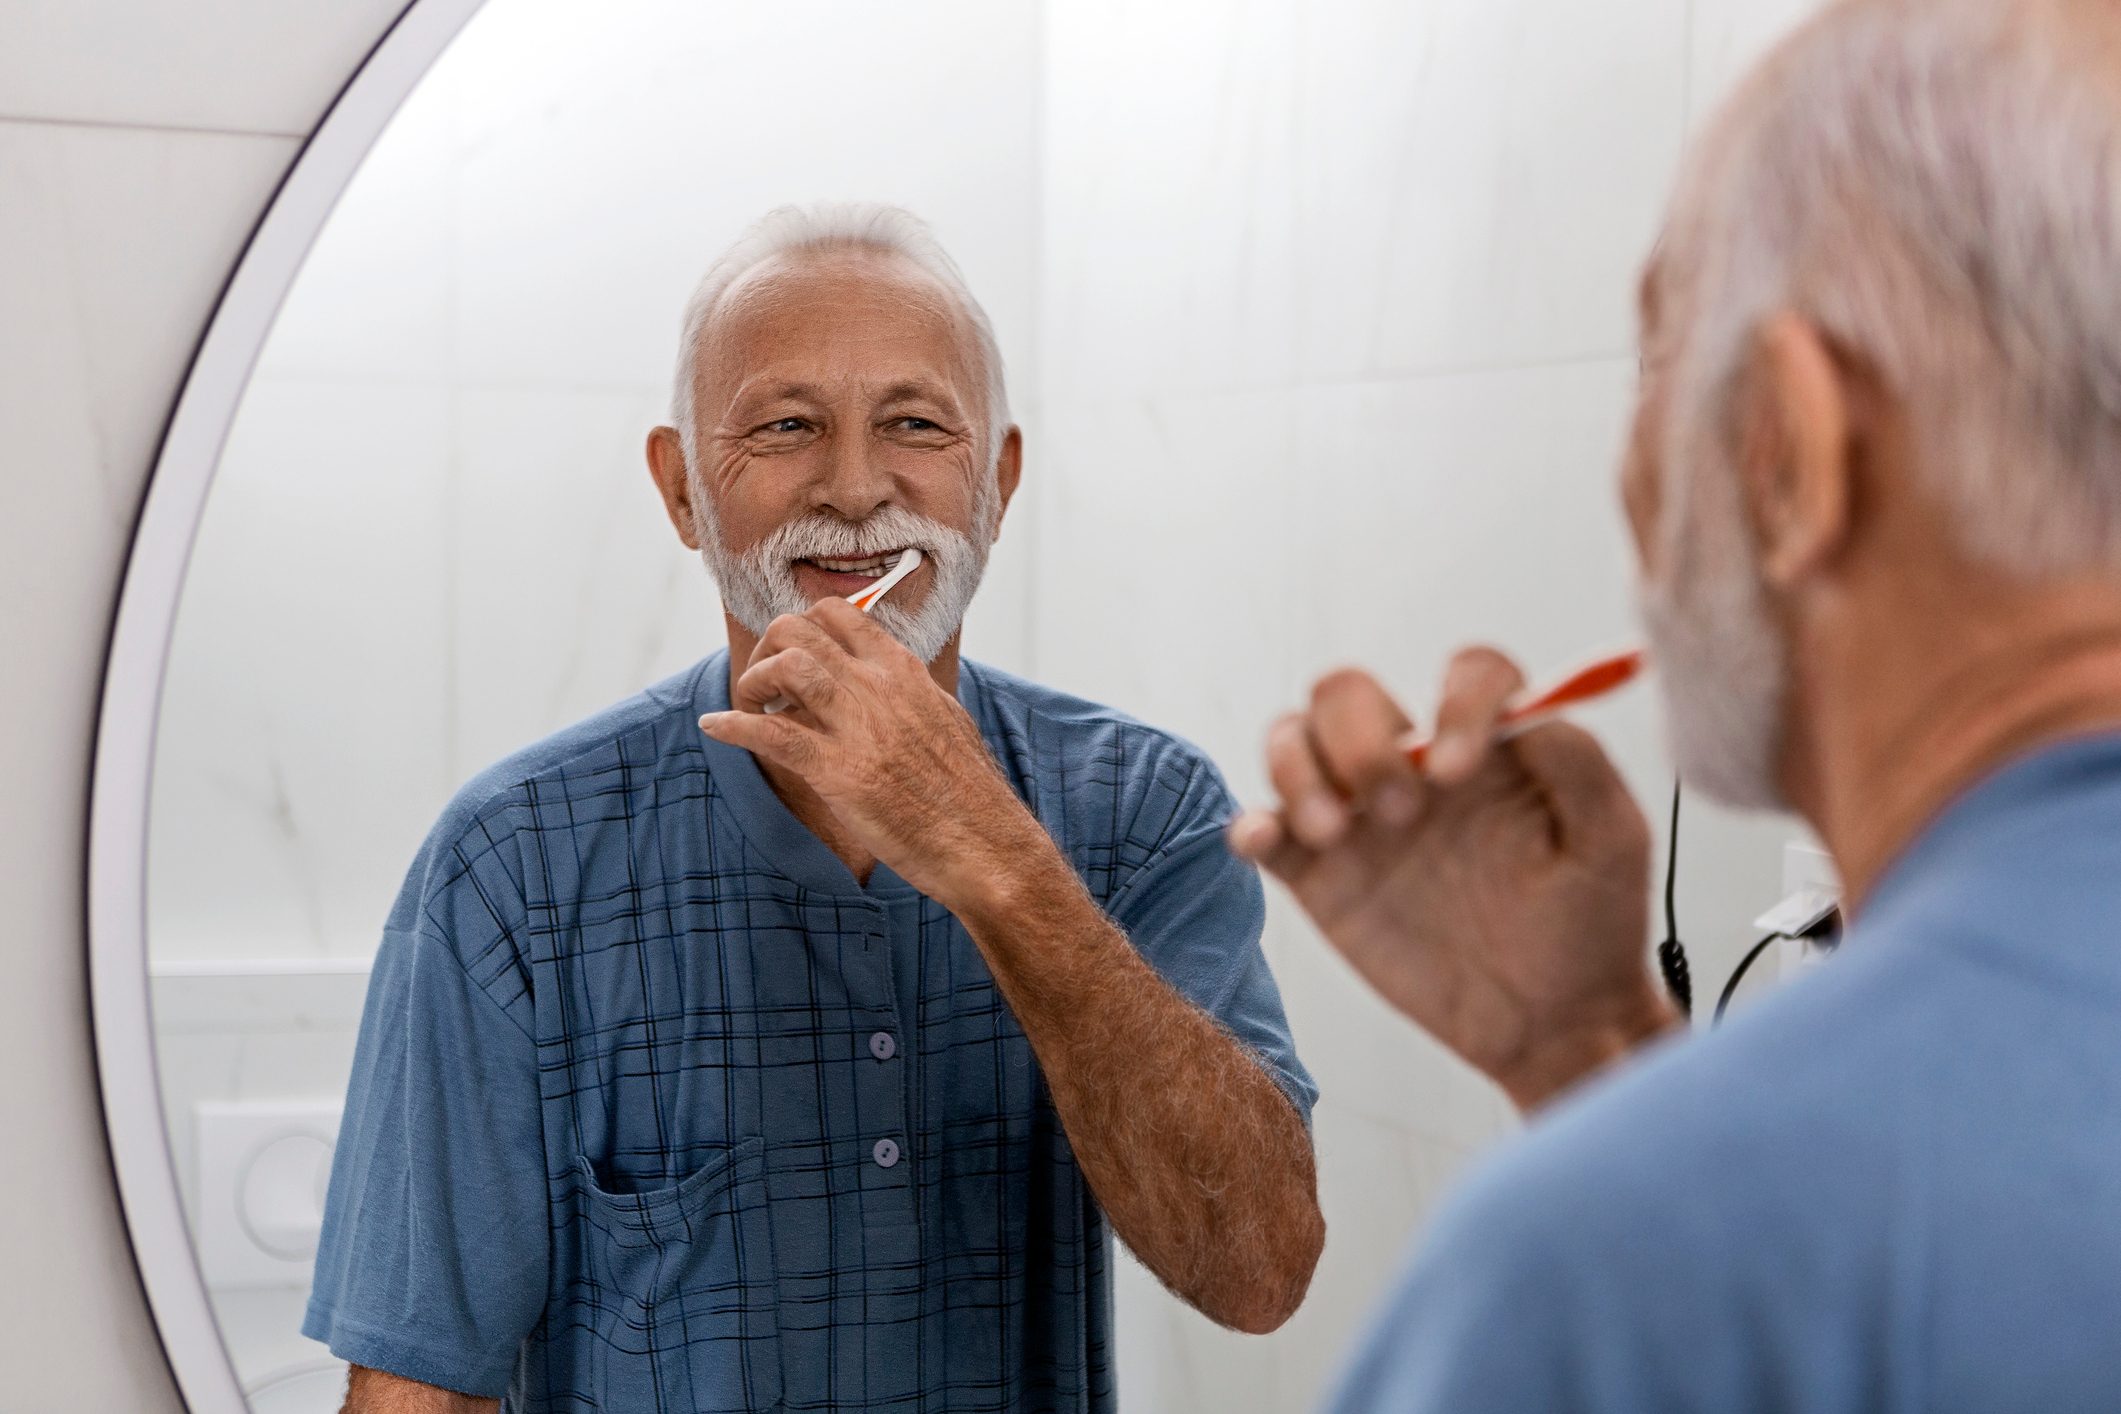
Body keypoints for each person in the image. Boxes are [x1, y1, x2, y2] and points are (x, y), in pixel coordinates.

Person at [1232, 0, 2121, 1408]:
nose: (1633, 488)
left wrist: (1660, 1200)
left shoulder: (1599, 1279)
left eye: (1657, 365)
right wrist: (1591, 1053)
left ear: (1787, 454)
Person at [305, 203, 1323, 1413]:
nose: (852, 489)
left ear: (995, 481)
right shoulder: (511, 866)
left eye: (915, 424)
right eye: (787, 426)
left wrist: (991, 858)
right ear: (683, 490)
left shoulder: (1146, 810)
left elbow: (1259, 1271)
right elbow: (419, 1389)